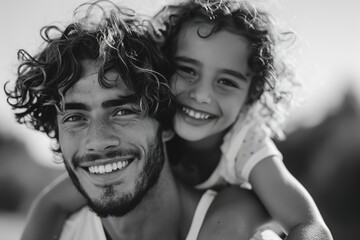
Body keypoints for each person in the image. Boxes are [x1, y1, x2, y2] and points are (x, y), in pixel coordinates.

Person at [15, 0, 333, 240]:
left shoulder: (246, 145)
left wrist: (238, 210)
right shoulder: (72, 223)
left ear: (163, 118)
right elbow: (50, 204)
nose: (201, 95)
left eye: (124, 110)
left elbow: (306, 222)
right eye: (74, 116)